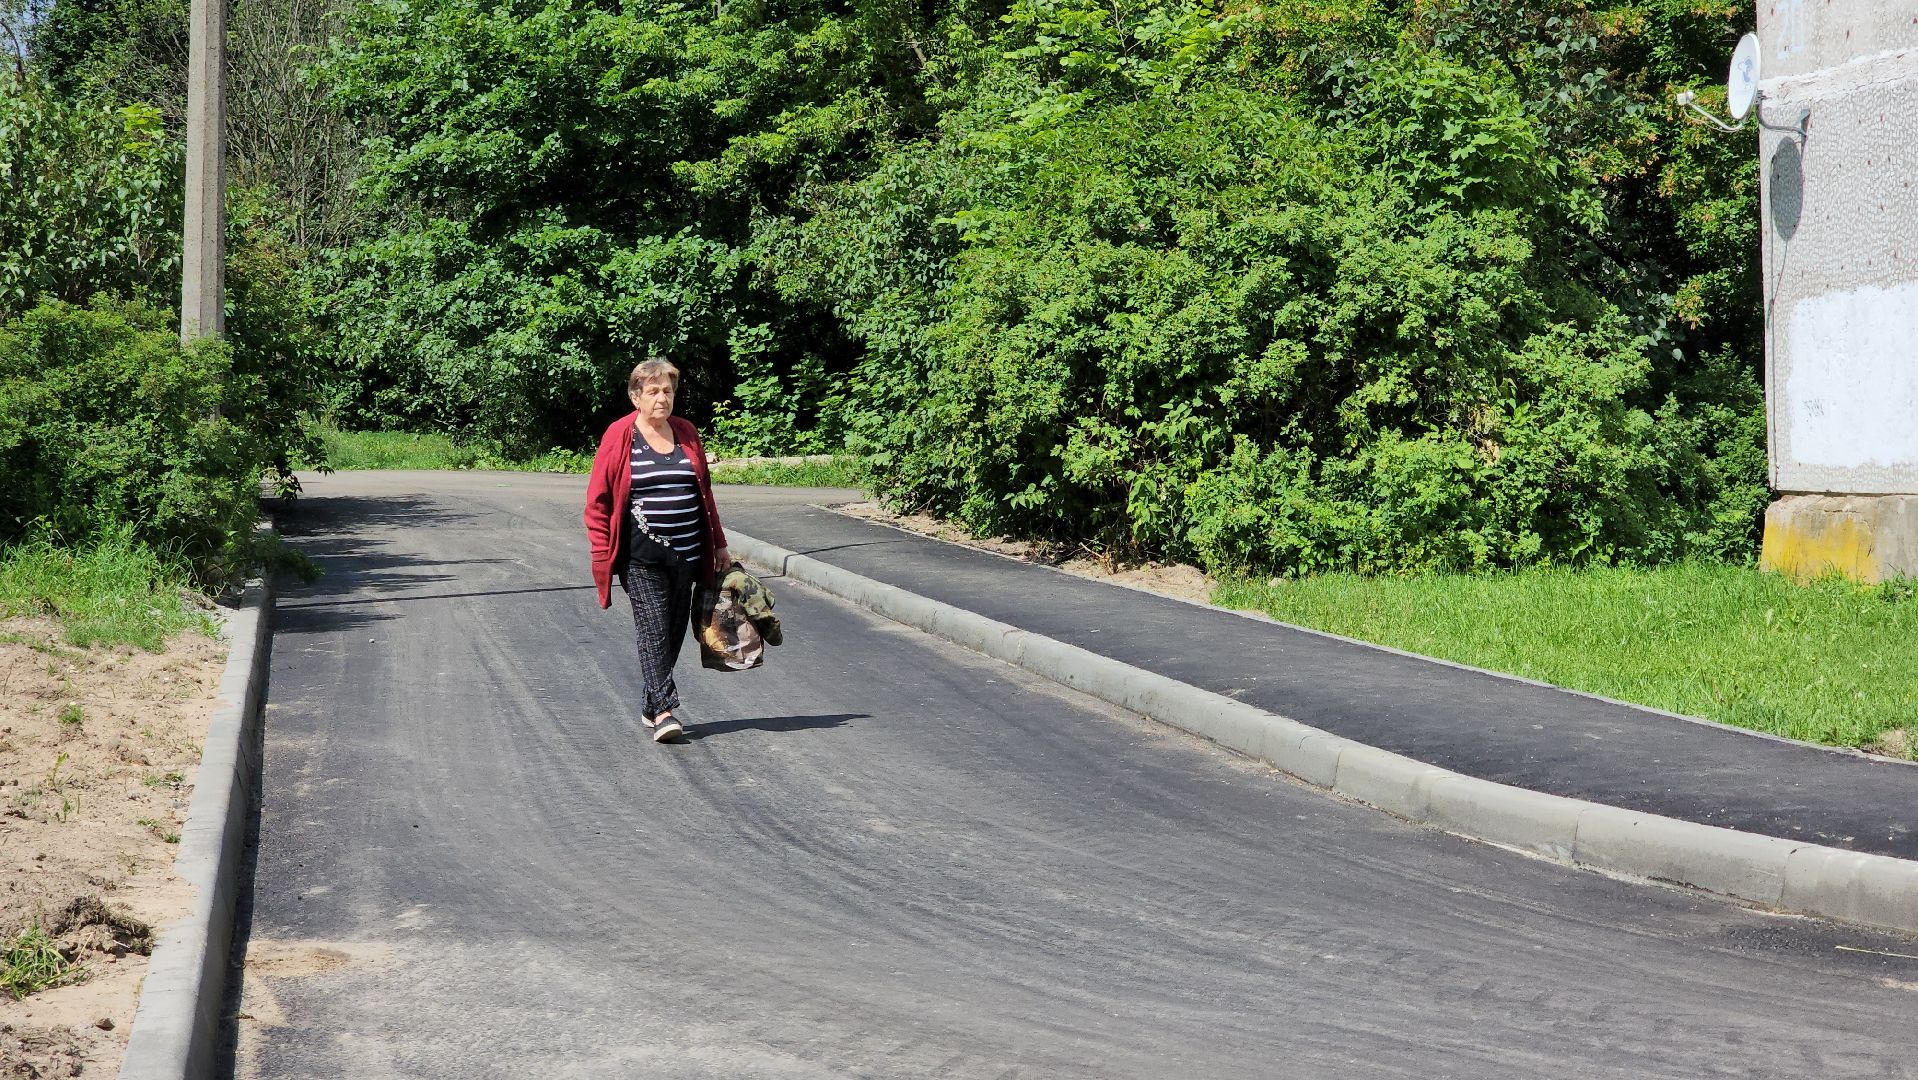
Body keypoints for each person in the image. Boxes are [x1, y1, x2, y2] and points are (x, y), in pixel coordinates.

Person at [584, 359, 731, 742]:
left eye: (667, 390)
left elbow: (705, 494)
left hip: (688, 555)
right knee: (652, 629)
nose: (661, 398)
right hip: (641, 557)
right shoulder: (619, 436)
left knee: (674, 631)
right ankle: (666, 711)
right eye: (653, 391)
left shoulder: (685, 432)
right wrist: (602, 553)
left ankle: (651, 704)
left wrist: (718, 543)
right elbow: (598, 502)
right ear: (636, 397)